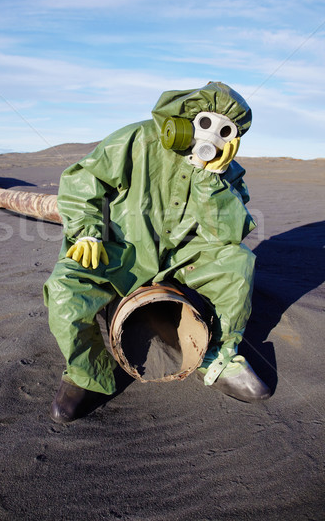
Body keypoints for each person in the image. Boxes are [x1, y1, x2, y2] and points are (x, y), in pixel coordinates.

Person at [43, 81, 271, 423]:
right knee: (65, 288)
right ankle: (88, 377)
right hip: (120, 252)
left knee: (237, 266)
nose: (210, 137)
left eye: (224, 130)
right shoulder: (136, 140)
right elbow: (82, 181)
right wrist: (88, 232)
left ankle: (216, 358)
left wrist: (213, 179)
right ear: (183, 117)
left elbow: (227, 234)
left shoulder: (227, 172)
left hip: (183, 258)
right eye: (205, 123)